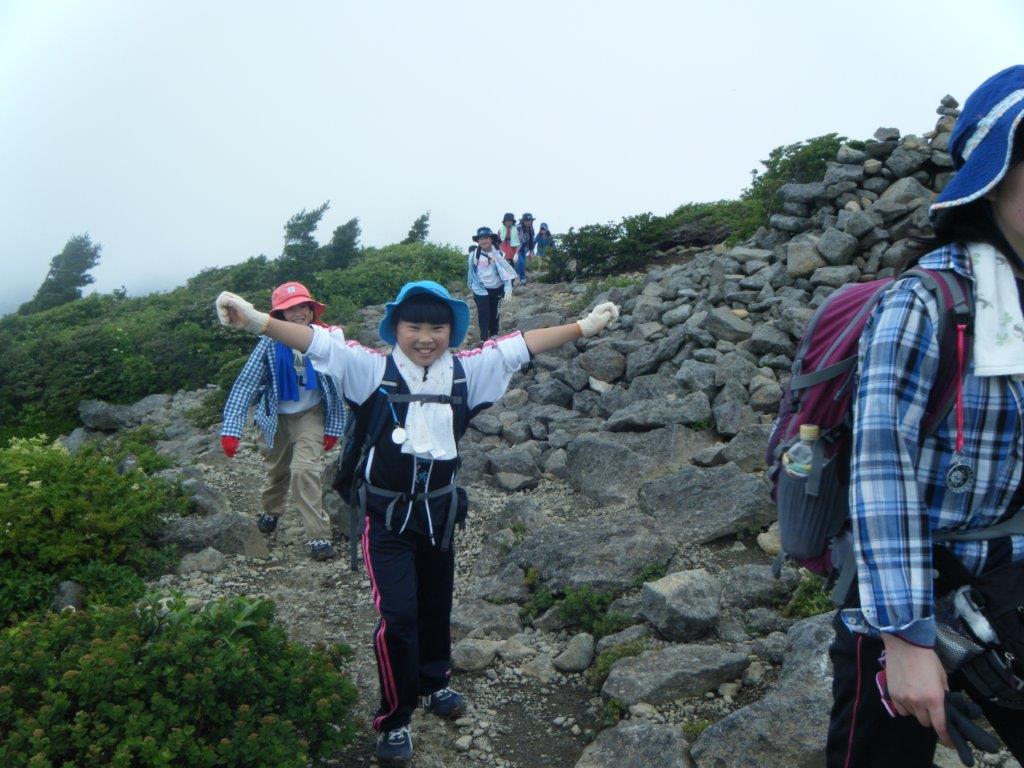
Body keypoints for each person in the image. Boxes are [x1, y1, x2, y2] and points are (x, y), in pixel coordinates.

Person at [215, 281, 620, 765]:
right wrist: (257, 320)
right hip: (385, 517)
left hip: (440, 513)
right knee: (399, 618)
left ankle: (434, 681)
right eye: (414, 327)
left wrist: (585, 326)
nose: (425, 337)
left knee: (435, 605)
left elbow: (522, 344)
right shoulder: (371, 368)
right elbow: (315, 342)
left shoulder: (468, 370)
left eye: (437, 327)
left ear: (453, 330)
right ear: (395, 329)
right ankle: (394, 717)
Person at [827, 65, 1024, 767]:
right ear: (995, 178)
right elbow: (882, 467)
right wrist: (906, 642)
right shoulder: (926, 301)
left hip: (1006, 591)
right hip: (901, 604)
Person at [219, 281, 346, 561]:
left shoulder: (329, 337)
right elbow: (246, 384)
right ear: (279, 315)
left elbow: (338, 386)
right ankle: (271, 509)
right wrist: (231, 429)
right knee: (277, 470)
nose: (298, 312)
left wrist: (335, 426)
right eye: (290, 309)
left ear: (312, 309)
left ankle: (318, 536)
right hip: (275, 416)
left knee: (304, 471)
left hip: (311, 415)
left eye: (303, 306)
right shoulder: (268, 343)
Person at [467, 226, 517, 341]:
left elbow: (505, 273)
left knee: (494, 313)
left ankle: (494, 334)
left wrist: (508, 289)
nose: (483, 240)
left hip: (497, 288)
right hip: (480, 289)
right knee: (483, 314)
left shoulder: (499, 255)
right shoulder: (473, 255)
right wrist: (471, 286)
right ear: (477, 241)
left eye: (486, 238)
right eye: (480, 238)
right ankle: (484, 338)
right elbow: (471, 273)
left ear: (491, 239)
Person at [515, 212, 536, 284]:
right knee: (520, 262)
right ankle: (522, 279)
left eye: (529, 220)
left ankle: (517, 276)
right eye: (526, 220)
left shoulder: (531, 229)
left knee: (522, 263)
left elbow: (531, 240)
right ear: (523, 221)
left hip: (524, 248)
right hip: (516, 247)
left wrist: (531, 251)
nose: (528, 222)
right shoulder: (518, 227)